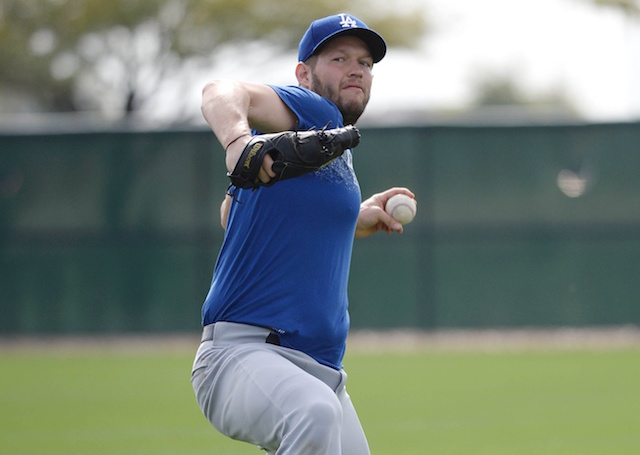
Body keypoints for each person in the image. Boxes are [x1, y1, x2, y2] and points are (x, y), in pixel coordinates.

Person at [191, 13, 415, 454]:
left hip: (320, 371)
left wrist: (355, 216)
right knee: (312, 414)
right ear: (303, 74)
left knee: (320, 411)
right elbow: (219, 91)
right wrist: (239, 143)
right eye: (339, 58)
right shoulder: (312, 111)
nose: (356, 69)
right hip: (244, 357)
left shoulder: (333, 146)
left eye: (365, 63)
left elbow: (231, 215)